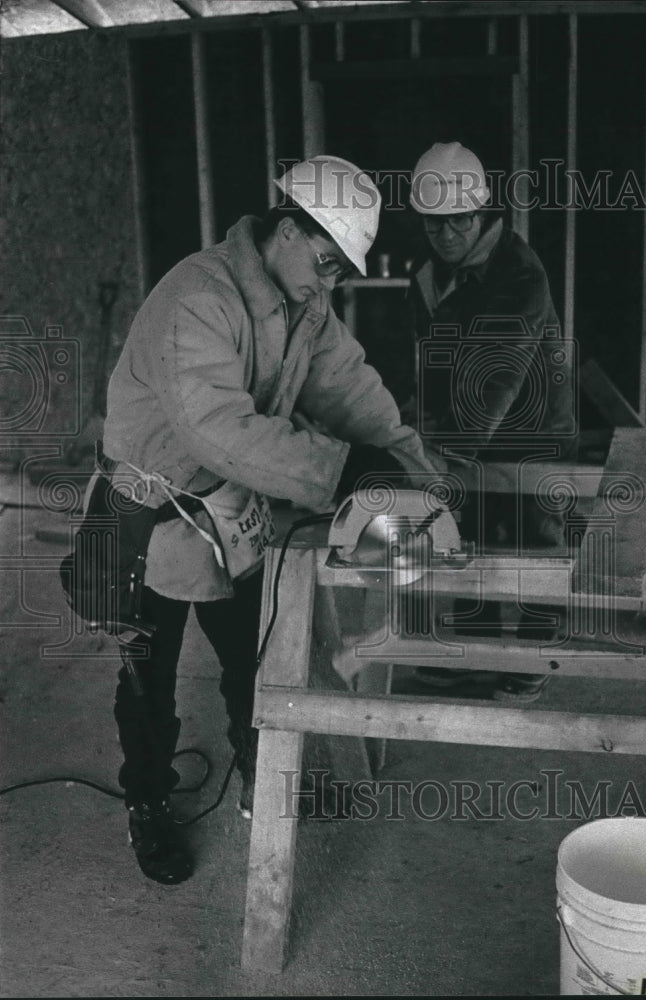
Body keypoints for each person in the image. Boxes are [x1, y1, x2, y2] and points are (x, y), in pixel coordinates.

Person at [100, 155, 442, 885]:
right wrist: (344, 472)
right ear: (286, 230)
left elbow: (348, 386)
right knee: (146, 680)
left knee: (251, 661)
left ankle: (263, 775)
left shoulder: (302, 307)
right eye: (325, 262)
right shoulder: (198, 297)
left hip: (228, 508)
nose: (329, 282)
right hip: (151, 517)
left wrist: (411, 468)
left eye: (339, 271)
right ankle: (149, 802)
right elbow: (216, 428)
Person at [403, 141, 577, 698]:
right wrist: (415, 429)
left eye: (459, 222)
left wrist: (443, 454)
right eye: (435, 226)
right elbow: (427, 363)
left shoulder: (520, 274)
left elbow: (495, 383)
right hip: (464, 433)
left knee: (536, 540)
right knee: (471, 534)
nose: (448, 235)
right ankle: (475, 648)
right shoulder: (427, 276)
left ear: (481, 213)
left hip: (532, 431)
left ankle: (532, 656)